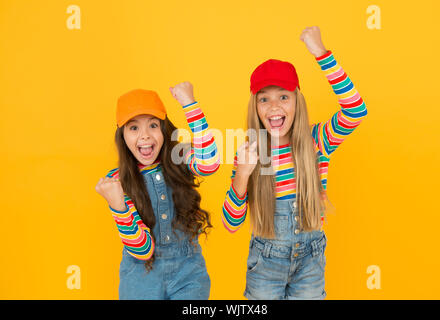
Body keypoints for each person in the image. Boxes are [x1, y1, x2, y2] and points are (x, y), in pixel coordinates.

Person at [221, 26, 368, 299]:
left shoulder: (318, 140)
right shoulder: (251, 152)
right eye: (264, 99)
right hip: (265, 264)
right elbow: (230, 224)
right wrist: (242, 175)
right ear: (255, 107)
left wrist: (321, 53)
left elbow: (356, 110)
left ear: (297, 102)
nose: (274, 107)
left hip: (310, 262)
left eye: (283, 97)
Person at [96, 82, 219, 299]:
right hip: (141, 279)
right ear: (122, 136)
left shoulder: (179, 157)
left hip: (188, 275)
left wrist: (190, 104)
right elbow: (142, 250)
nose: (145, 136)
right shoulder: (118, 181)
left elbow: (209, 164)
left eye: (153, 125)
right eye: (134, 128)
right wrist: (118, 207)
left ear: (164, 130)